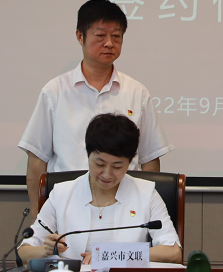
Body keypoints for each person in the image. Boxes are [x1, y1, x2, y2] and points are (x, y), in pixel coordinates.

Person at [18, 0, 173, 216]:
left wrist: (146, 213)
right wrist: (38, 218)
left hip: (125, 209)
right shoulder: (54, 92)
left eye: (116, 36)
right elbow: (37, 160)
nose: (109, 43)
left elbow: (150, 161)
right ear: (80, 36)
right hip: (66, 208)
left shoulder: (137, 93)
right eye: (100, 35)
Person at [18, 113, 182, 265]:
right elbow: (24, 252)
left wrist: (113, 254)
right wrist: (45, 250)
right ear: (88, 154)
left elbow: (173, 252)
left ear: (130, 161)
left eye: (117, 166)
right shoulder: (62, 193)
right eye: (99, 164)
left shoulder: (146, 193)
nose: (107, 174)